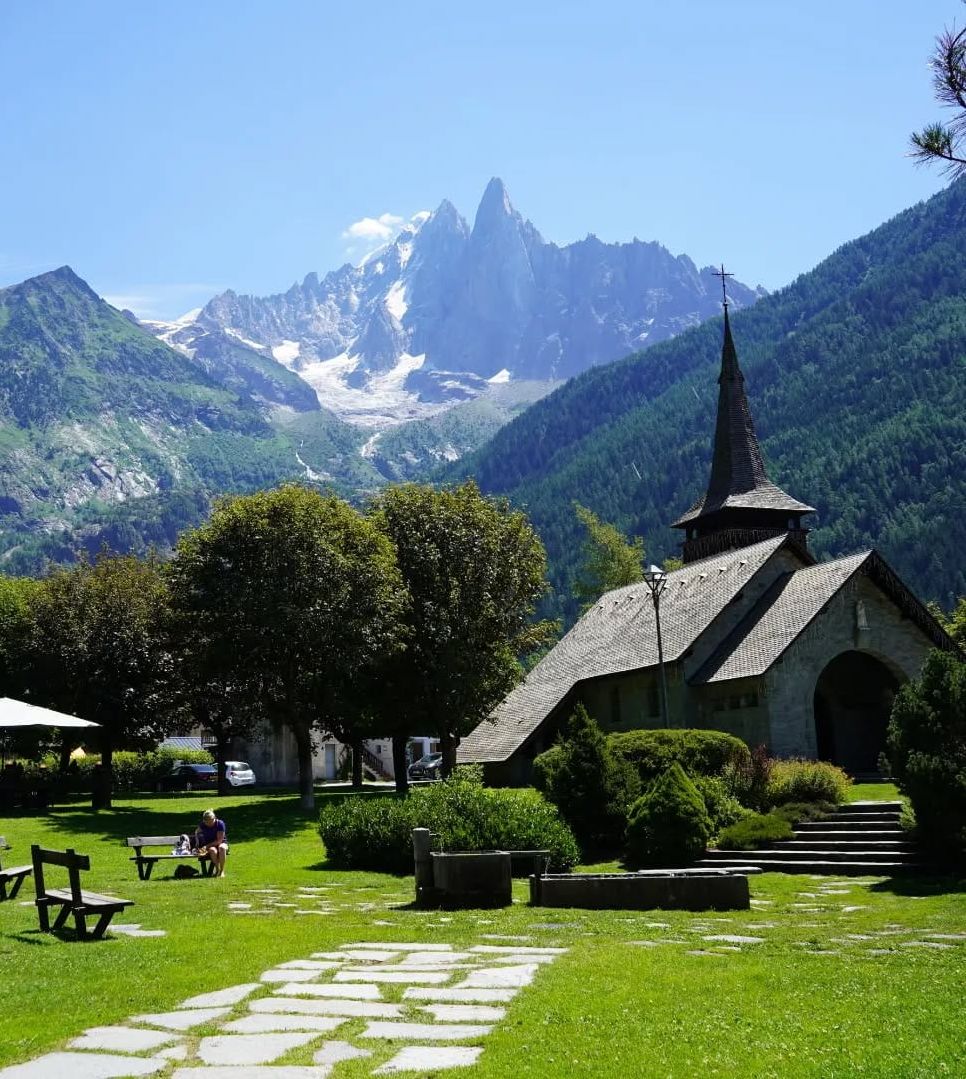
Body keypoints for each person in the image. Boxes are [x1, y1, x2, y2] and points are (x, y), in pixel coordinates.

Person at [193, 809, 228, 877]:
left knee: (222, 847)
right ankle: (217, 869)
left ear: (214, 818)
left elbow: (219, 840)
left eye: (210, 821)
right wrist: (197, 843)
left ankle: (222, 871)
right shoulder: (202, 825)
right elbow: (196, 832)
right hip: (210, 845)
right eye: (207, 822)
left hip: (221, 843)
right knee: (212, 850)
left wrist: (206, 846)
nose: (209, 824)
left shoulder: (220, 824)